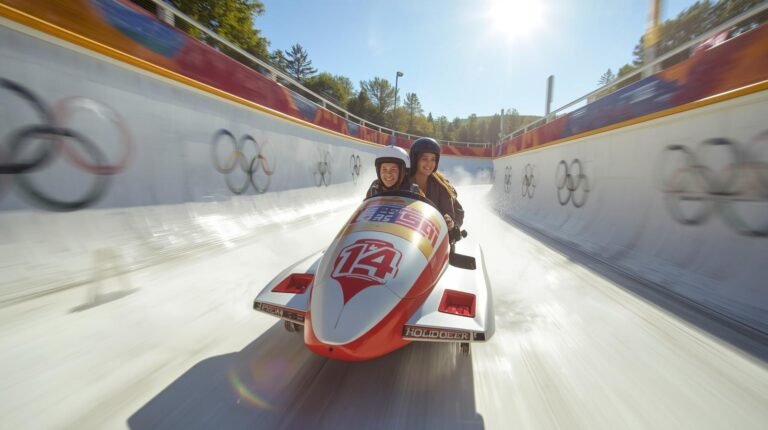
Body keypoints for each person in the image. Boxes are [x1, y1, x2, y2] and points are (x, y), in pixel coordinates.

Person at [408, 137, 465, 236]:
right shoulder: (402, 180)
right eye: (424, 159)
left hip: (434, 238)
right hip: (406, 233)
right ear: (415, 159)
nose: (429, 164)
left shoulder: (442, 185)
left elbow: (458, 211)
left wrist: (452, 224)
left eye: (433, 159)